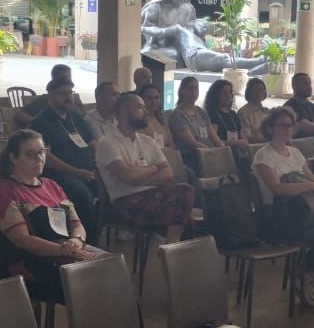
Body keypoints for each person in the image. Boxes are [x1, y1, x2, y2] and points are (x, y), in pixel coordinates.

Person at [0, 130, 105, 301]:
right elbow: (23, 240)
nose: (39, 158)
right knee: (99, 285)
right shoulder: (4, 192)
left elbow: (76, 224)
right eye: (30, 154)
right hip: (31, 263)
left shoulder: (52, 185)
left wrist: (76, 240)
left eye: (41, 152)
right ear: (13, 158)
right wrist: (66, 251)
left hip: (67, 252)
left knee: (115, 273)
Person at [252, 107, 314, 306]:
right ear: (271, 128)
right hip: (278, 216)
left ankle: (311, 271)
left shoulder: (295, 153)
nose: (288, 129)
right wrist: (309, 186)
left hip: (303, 212)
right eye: (283, 126)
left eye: (291, 125)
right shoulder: (264, 156)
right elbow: (277, 189)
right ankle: (308, 274)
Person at [95, 93, 195, 244]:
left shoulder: (148, 141)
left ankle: (171, 244)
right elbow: (128, 176)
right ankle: (172, 245)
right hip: (125, 202)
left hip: (154, 196)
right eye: (139, 107)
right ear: (123, 112)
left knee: (184, 190)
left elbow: (168, 174)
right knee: (185, 218)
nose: (146, 111)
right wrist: (154, 168)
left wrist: (138, 175)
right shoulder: (107, 143)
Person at [30, 76, 101, 245]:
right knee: (82, 195)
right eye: (62, 93)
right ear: (50, 96)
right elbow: (46, 157)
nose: (68, 97)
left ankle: (93, 236)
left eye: (70, 92)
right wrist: (78, 173)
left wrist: (99, 166)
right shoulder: (40, 121)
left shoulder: (75, 117)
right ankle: (88, 243)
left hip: (87, 171)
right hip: (58, 175)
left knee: (108, 188)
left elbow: (92, 143)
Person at [169, 75, 225, 172]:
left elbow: (213, 135)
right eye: (190, 88)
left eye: (196, 88)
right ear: (182, 91)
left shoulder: (201, 111)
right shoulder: (177, 115)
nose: (194, 92)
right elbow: (192, 142)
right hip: (192, 155)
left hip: (209, 150)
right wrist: (212, 153)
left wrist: (223, 149)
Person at [204, 78, 248, 147]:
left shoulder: (233, 114)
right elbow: (213, 141)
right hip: (222, 152)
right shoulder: (212, 114)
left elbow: (242, 135)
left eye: (230, 93)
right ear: (216, 95)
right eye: (224, 93)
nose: (228, 96)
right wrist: (233, 143)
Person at [283, 72, 314, 138]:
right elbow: (307, 128)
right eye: (305, 84)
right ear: (294, 86)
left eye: (310, 84)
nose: (309, 87)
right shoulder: (288, 108)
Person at [138, 83, 173, 149]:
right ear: (141, 99)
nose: (153, 101)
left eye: (156, 98)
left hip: (167, 156)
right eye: (149, 98)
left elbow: (172, 145)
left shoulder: (162, 120)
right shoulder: (138, 121)